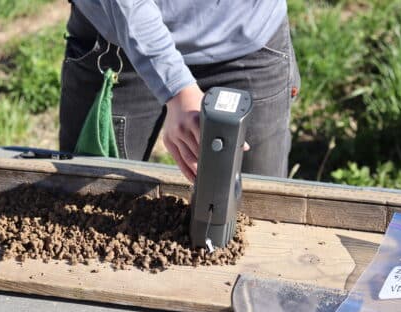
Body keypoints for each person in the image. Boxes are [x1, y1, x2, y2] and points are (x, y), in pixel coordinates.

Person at [60, 0, 300, 182]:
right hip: (119, 38)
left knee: (259, 204)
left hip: (247, 33)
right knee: (87, 202)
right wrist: (177, 88)